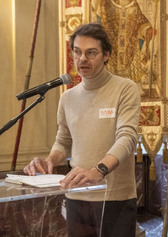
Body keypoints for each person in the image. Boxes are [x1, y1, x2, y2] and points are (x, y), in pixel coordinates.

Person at [23, 22, 141, 237]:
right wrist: (50, 159)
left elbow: (127, 138)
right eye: (77, 52)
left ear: (106, 54)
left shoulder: (125, 88)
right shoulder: (67, 97)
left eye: (91, 53)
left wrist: (98, 172)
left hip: (114, 198)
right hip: (76, 197)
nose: (82, 59)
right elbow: (63, 141)